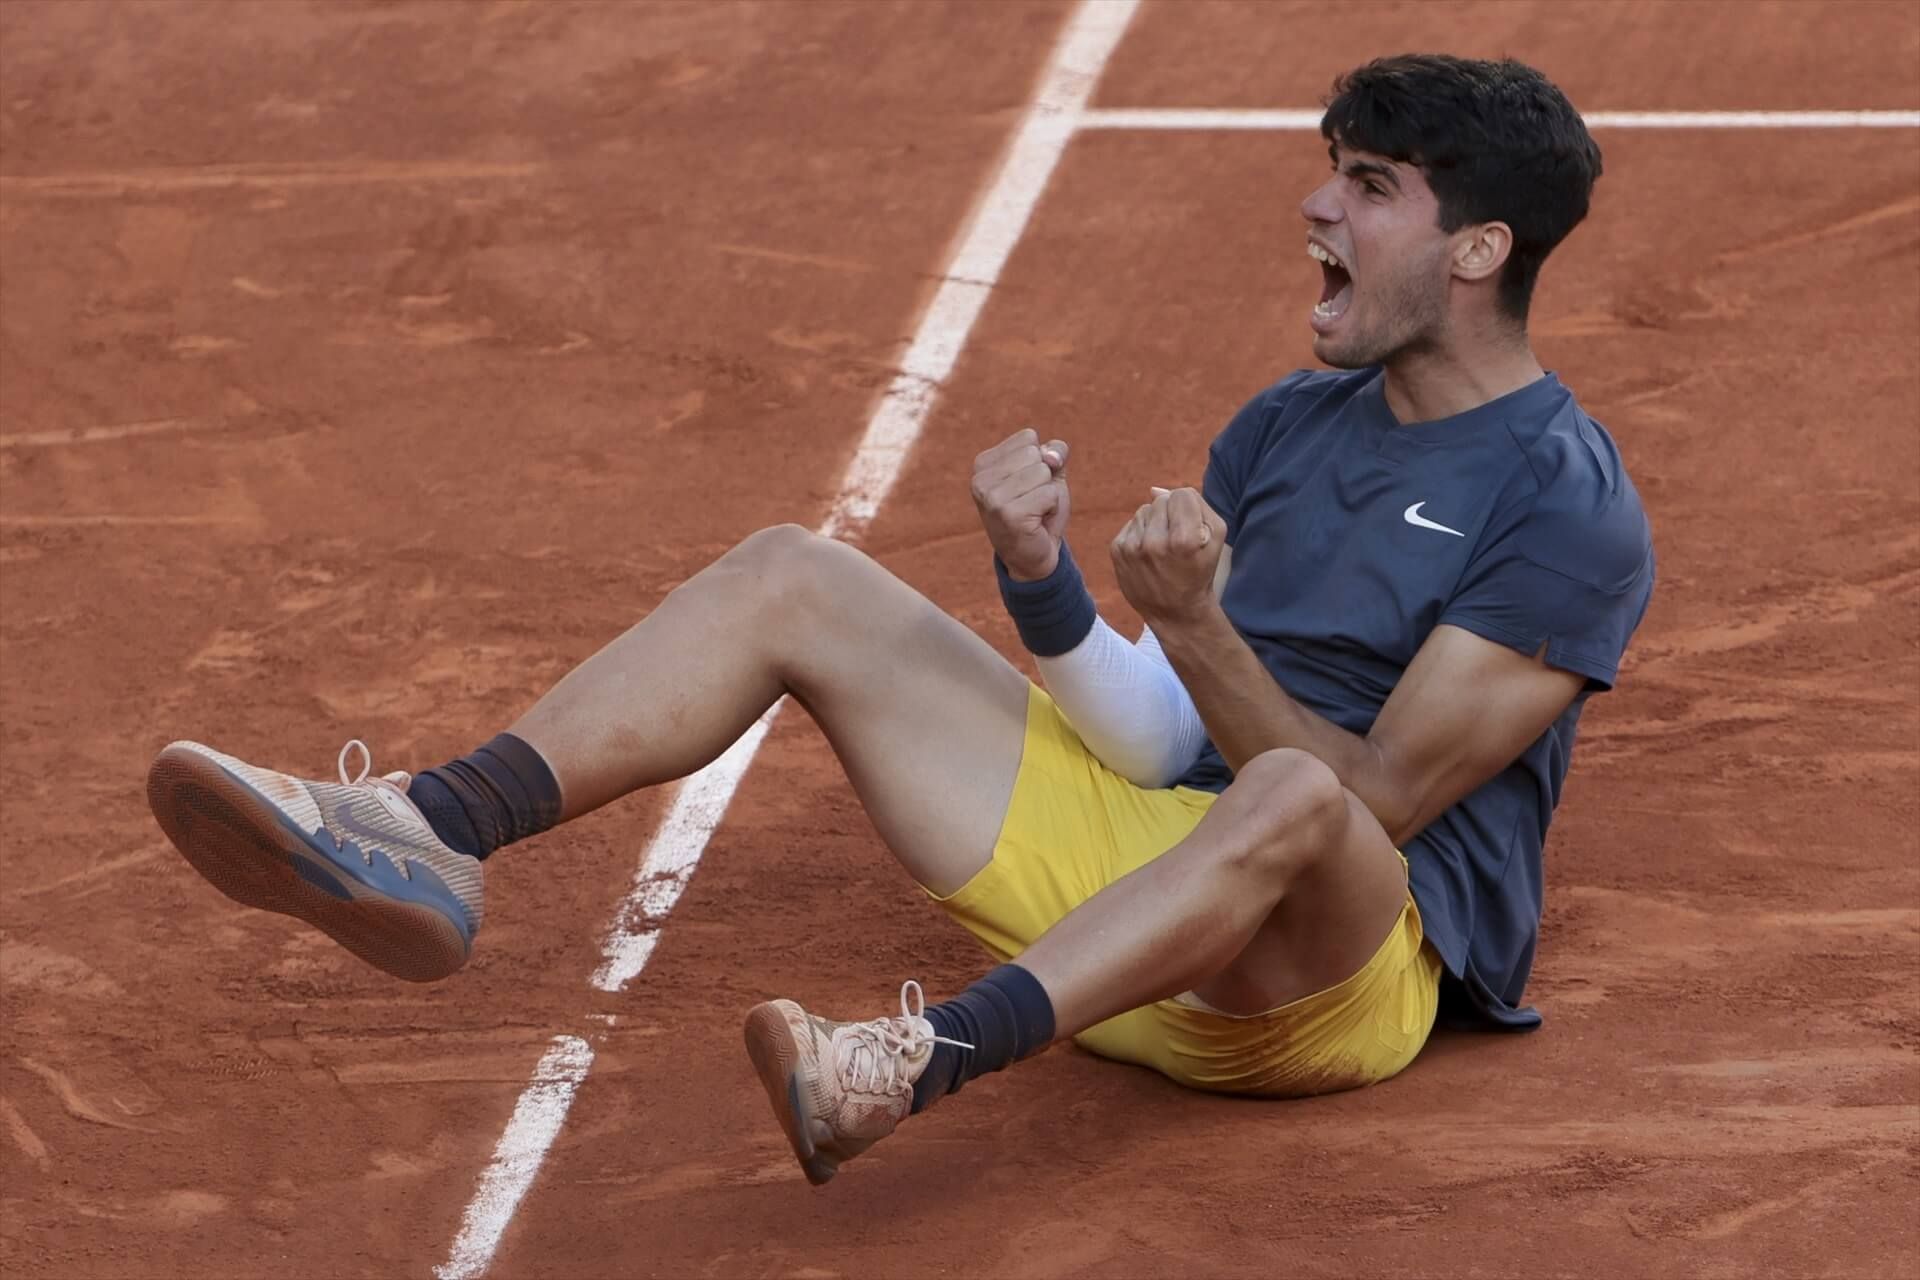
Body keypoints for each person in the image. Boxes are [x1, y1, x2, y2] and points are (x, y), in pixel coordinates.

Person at [146, 53, 1653, 1186]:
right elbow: (1158, 740)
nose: (1318, 203)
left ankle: (907, 1062)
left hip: (1321, 982)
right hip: (1148, 901)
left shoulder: (1565, 508)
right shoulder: (1293, 424)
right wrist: (1046, 580)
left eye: (1371, 185)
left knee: (1292, 789)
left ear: (1478, 251)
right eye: (1333, 167)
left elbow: (1371, 807)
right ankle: (431, 830)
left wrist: (1199, 628)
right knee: (796, 569)